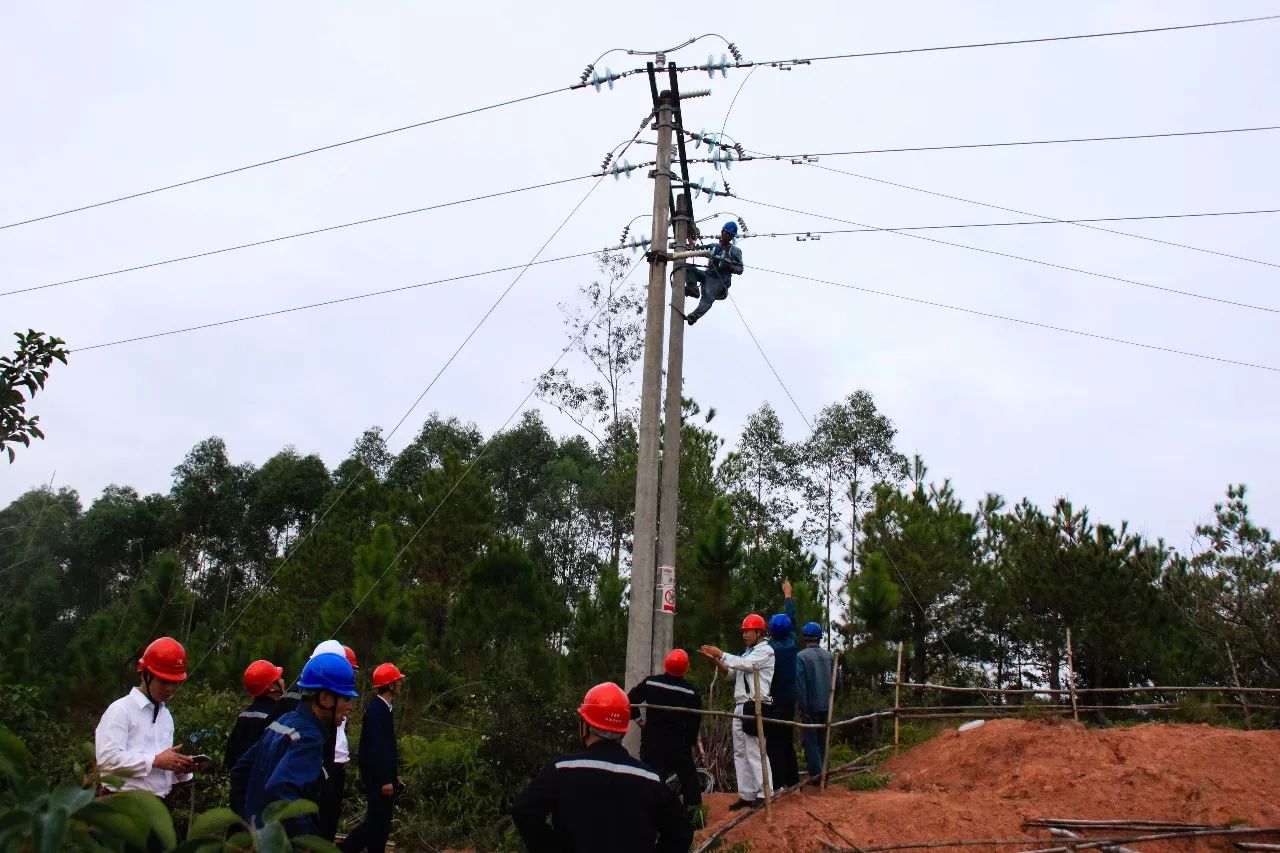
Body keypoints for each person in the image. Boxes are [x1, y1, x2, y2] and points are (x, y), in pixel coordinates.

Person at [512, 683, 692, 853]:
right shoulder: (650, 779)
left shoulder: (561, 769)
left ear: (586, 725)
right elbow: (681, 832)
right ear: (622, 731)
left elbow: (524, 811)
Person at [234, 652, 357, 838]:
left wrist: (252, 821)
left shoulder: (282, 721)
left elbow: (240, 772)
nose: (350, 706)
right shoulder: (309, 738)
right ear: (324, 699)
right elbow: (281, 789)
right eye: (346, 698)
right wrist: (303, 838)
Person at [95, 637, 196, 801]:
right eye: (164, 681)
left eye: (175, 682)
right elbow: (107, 761)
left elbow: (157, 776)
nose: (170, 689)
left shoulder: (166, 716)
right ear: (144, 675)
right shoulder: (120, 710)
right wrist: (155, 761)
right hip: (121, 802)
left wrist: (179, 769)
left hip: (156, 805)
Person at [699, 614, 775, 810]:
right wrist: (717, 660)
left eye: (748, 631)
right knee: (740, 752)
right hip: (741, 705)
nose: (744, 634)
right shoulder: (747, 653)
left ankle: (764, 792)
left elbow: (747, 666)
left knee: (756, 750)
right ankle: (747, 793)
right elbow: (733, 673)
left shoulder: (765, 651)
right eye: (743, 631)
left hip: (755, 705)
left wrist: (722, 653)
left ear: (759, 633)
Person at [626, 649, 703, 811]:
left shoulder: (652, 683)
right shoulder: (691, 692)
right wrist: (688, 744)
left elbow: (630, 699)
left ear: (665, 664)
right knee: (689, 780)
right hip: (677, 743)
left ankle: (649, 817)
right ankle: (694, 818)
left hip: (652, 741)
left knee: (652, 779)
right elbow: (694, 723)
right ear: (686, 668)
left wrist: (639, 720)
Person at [341, 663, 405, 853]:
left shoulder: (384, 709)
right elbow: (377, 749)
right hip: (378, 780)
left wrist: (394, 776)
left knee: (380, 823)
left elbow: (386, 749)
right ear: (390, 686)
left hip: (382, 778)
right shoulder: (377, 711)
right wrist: (385, 780)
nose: (401, 684)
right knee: (376, 824)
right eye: (397, 681)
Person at [225, 659, 285, 815]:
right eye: (279, 678)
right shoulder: (279, 719)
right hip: (261, 801)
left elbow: (230, 755)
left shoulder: (244, 716)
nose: (283, 681)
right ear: (272, 687)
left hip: (239, 796)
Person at [765, 580, 801, 788]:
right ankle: (793, 781)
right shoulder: (792, 642)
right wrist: (788, 595)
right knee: (787, 740)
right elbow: (792, 618)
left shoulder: (769, 650)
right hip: (789, 699)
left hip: (774, 699)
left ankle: (778, 783)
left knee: (773, 743)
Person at [796, 621, 838, 783]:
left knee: (811, 742)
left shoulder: (801, 657)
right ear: (819, 637)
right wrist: (832, 701)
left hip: (810, 707)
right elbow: (837, 683)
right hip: (826, 706)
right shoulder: (829, 656)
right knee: (823, 741)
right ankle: (825, 773)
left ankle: (817, 777)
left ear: (805, 637)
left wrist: (802, 708)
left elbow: (800, 685)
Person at [680, 220, 744, 326]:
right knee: (687, 268)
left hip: (720, 280)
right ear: (722, 231)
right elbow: (697, 250)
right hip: (708, 274)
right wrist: (690, 240)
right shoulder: (714, 246)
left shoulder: (734, 251)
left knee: (707, 297)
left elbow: (740, 269)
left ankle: (694, 316)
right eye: (725, 232)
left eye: (729, 234)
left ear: (732, 237)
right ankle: (692, 288)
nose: (726, 235)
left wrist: (730, 265)